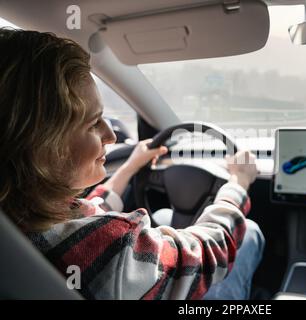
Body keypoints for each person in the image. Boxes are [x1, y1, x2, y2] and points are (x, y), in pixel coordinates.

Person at [0, 28, 265, 300]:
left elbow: (79, 218)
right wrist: (237, 186)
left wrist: (128, 168)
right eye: (93, 124)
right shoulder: (108, 243)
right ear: (43, 145)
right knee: (250, 233)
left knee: (162, 218)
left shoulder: (17, 224)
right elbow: (207, 254)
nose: (112, 135)